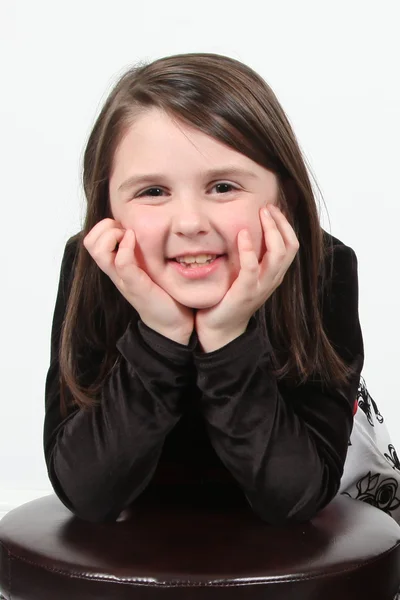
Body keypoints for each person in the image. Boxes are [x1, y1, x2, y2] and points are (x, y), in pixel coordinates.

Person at [43, 52, 400, 525]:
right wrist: (161, 332)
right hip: (148, 516)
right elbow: (87, 493)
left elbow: (294, 498)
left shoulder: (323, 268)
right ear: (108, 207)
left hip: (298, 499)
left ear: (283, 197)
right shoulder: (94, 267)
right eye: (152, 191)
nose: (190, 223)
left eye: (224, 187)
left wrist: (227, 336)